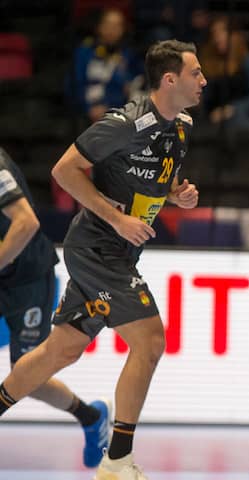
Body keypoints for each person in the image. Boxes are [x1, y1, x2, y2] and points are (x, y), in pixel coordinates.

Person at [0, 40, 205, 480]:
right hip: (96, 247)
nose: (203, 81)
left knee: (61, 350)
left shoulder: (182, 126)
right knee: (150, 342)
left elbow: (149, 182)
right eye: (195, 73)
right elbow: (63, 171)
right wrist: (116, 219)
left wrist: (176, 195)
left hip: (119, 251)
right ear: (170, 79)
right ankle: (117, 460)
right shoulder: (124, 123)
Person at [0, 147, 111, 468]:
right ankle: (90, 416)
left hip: (28, 277)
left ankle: (90, 417)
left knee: (27, 371)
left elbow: (26, 223)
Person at [68, 8, 144, 125]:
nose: (112, 30)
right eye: (108, 24)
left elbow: (136, 82)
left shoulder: (128, 54)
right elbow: (77, 84)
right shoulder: (84, 52)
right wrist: (89, 108)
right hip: (90, 112)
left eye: (117, 26)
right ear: (99, 27)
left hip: (122, 113)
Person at [199, 15, 249, 131]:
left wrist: (232, 109)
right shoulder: (209, 60)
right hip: (214, 117)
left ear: (235, 35)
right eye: (214, 34)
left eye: (222, 33)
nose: (217, 39)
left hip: (243, 115)